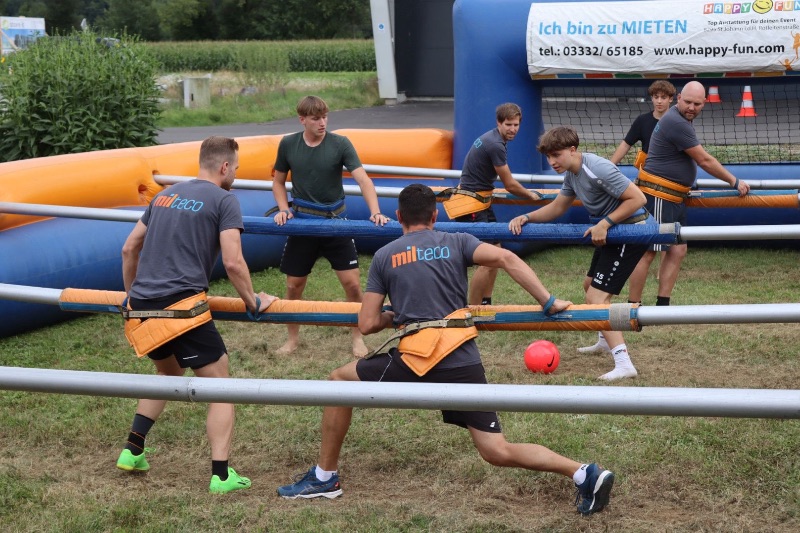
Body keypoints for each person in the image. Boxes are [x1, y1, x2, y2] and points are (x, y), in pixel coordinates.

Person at [276, 183, 615, 517]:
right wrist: (548, 301)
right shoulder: (458, 241)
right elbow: (505, 257)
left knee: (339, 381)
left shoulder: (384, 256)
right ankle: (583, 473)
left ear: (399, 217)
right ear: (435, 216)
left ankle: (325, 478)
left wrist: (392, 316)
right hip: (461, 358)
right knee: (496, 450)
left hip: (415, 360)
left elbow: (366, 324)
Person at [116, 136, 277, 494]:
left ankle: (132, 450)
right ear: (224, 167)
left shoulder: (166, 194)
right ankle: (221, 475)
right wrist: (253, 301)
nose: (236, 174)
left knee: (167, 372)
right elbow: (233, 262)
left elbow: (129, 248)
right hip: (181, 308)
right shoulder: (224, 199)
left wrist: (133, 299)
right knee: (221, 387)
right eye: (235, 168)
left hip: (142, 305)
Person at [509, 126, 653, 381]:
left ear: (573, 150)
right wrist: (527, 217)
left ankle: (624, 363)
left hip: (631, 230)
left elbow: (638, 199)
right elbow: (558, 207)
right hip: (611, 232)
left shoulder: (597, 168)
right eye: (548, 157)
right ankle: (605, 340)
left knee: (597, 297)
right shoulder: (572, 174)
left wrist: (605, 223)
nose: (552, 162)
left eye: (556, 155)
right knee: (589, 286)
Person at [271, 95, 390, 358]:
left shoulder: (340, 143)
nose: (322, 123)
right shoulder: (288, 144)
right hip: (303, 223)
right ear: (302, 120)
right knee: (293, 286)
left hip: (336, 222)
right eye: (316, 119)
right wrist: (283, 209)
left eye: (325, 117)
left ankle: (358, 337)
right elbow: (278, 182)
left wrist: (375, 212)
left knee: (353, 285)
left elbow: (364, 180)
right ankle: (292, 339)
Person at [627, 81, 750, 307]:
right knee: (648, 252)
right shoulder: (676, 122)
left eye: (697, 104)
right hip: (660, 194)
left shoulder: (680, 119)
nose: (692, 107)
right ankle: (632, 306)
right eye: (688, 102)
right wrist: (734, 181)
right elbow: (704, 160)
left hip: (674, 195)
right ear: (679, 98)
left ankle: (663, 306)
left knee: (678, 250)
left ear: (705, 103)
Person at [449, 102, 542, 305]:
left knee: (496, 251)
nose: (513, 129)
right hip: (471, 205)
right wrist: (531, 195)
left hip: (480, 201)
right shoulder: (495, 144)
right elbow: (509, 184)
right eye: (508, 124)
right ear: (498, 123)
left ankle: (486, 302)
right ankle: (473, 310)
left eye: (516, 125)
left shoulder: (493, 138)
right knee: (487, 262)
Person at [609, 80, 676, 167]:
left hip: (671, 169)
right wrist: (609, 167)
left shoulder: (678, 122)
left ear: (670, 99)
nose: (659, 101)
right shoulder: (642, 120)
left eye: (663, 97)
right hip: (649, 169)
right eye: (656, 97)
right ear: (652, 98)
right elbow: (625, 145)